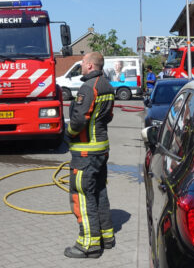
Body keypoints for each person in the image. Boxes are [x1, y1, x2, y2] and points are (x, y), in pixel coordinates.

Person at [64, 52, 115, 259]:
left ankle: (89, 245)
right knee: (99, 193)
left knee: (82, 196)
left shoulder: (88, 88)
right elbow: (108, 117)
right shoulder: (107, 86)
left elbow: (78, 121)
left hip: (86, 152)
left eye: (83, 63)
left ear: (91, 66)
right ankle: (106, 237)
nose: (81, 67)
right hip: (101, 150)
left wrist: (68, 134)